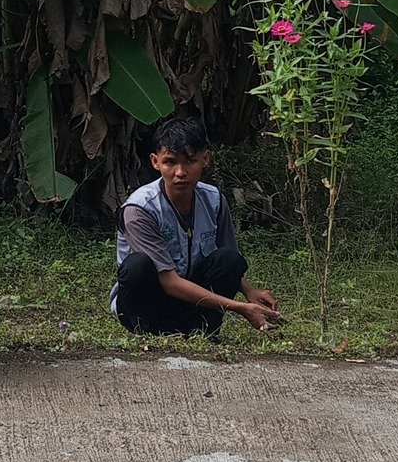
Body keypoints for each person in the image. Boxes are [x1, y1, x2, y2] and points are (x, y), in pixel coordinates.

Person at [111, 114, 280, 338]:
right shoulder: (139, 209)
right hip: (149, 302)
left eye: (190, 161)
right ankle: (145, 330)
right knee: (137, 266)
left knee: (230, 259)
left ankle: (204, 330)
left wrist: (249, 291)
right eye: (170, 162)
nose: (180, 172)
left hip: (193, 299)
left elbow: (227, 259)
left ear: (205, 159)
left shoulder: (214, 199)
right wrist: (240, 308)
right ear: (155, 162)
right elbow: (169, 282)